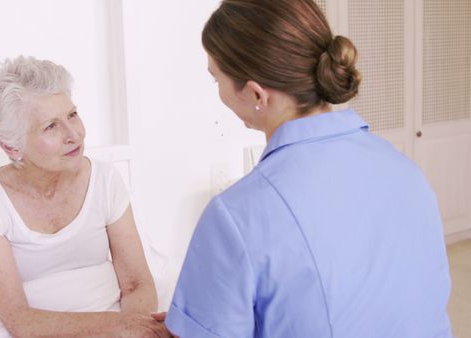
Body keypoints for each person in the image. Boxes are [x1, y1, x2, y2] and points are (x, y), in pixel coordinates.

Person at [164, 0, 453, 337]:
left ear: (256, 92)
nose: (220, 94)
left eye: (217, 81)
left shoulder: (236, 216)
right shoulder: (406, 171)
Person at [0, 56, 169, 338]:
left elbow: (136, 284)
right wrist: (119, 327)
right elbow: (20, 320)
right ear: (11, 147)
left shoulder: (105, 179)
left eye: (72, 115)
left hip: (112, 319)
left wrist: (133, 331)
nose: (74, 134)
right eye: (51, 126)